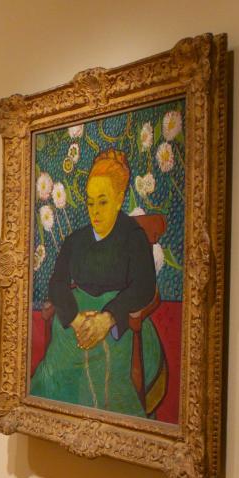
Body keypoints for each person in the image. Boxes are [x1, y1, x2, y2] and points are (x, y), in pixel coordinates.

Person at [30, 149, 164, 417]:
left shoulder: (133, 237)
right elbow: (57, 283)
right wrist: (77, 320)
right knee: (57, 367)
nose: (95, 212)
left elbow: (144, 286)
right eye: (90, 203)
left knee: (108, 371)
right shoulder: (75, 241)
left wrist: (107, 319)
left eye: (102, 202)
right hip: (76, 321)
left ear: (119, 199)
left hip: (120, 323)